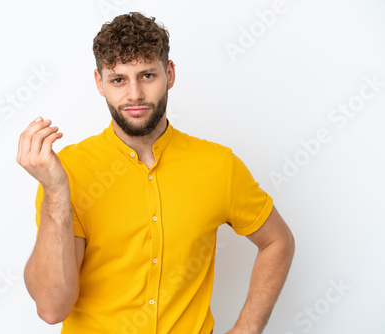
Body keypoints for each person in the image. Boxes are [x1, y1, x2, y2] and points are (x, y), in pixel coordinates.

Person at [17, 12, 295, 334]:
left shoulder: (219, 165)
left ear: (170, 73)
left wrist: (246, 329)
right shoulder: (68, 172)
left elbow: (277, 241)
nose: (134, 94)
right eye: (118, 79)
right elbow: (52, 307)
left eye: (147, 75)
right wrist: (54, 191)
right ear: (99, 83)